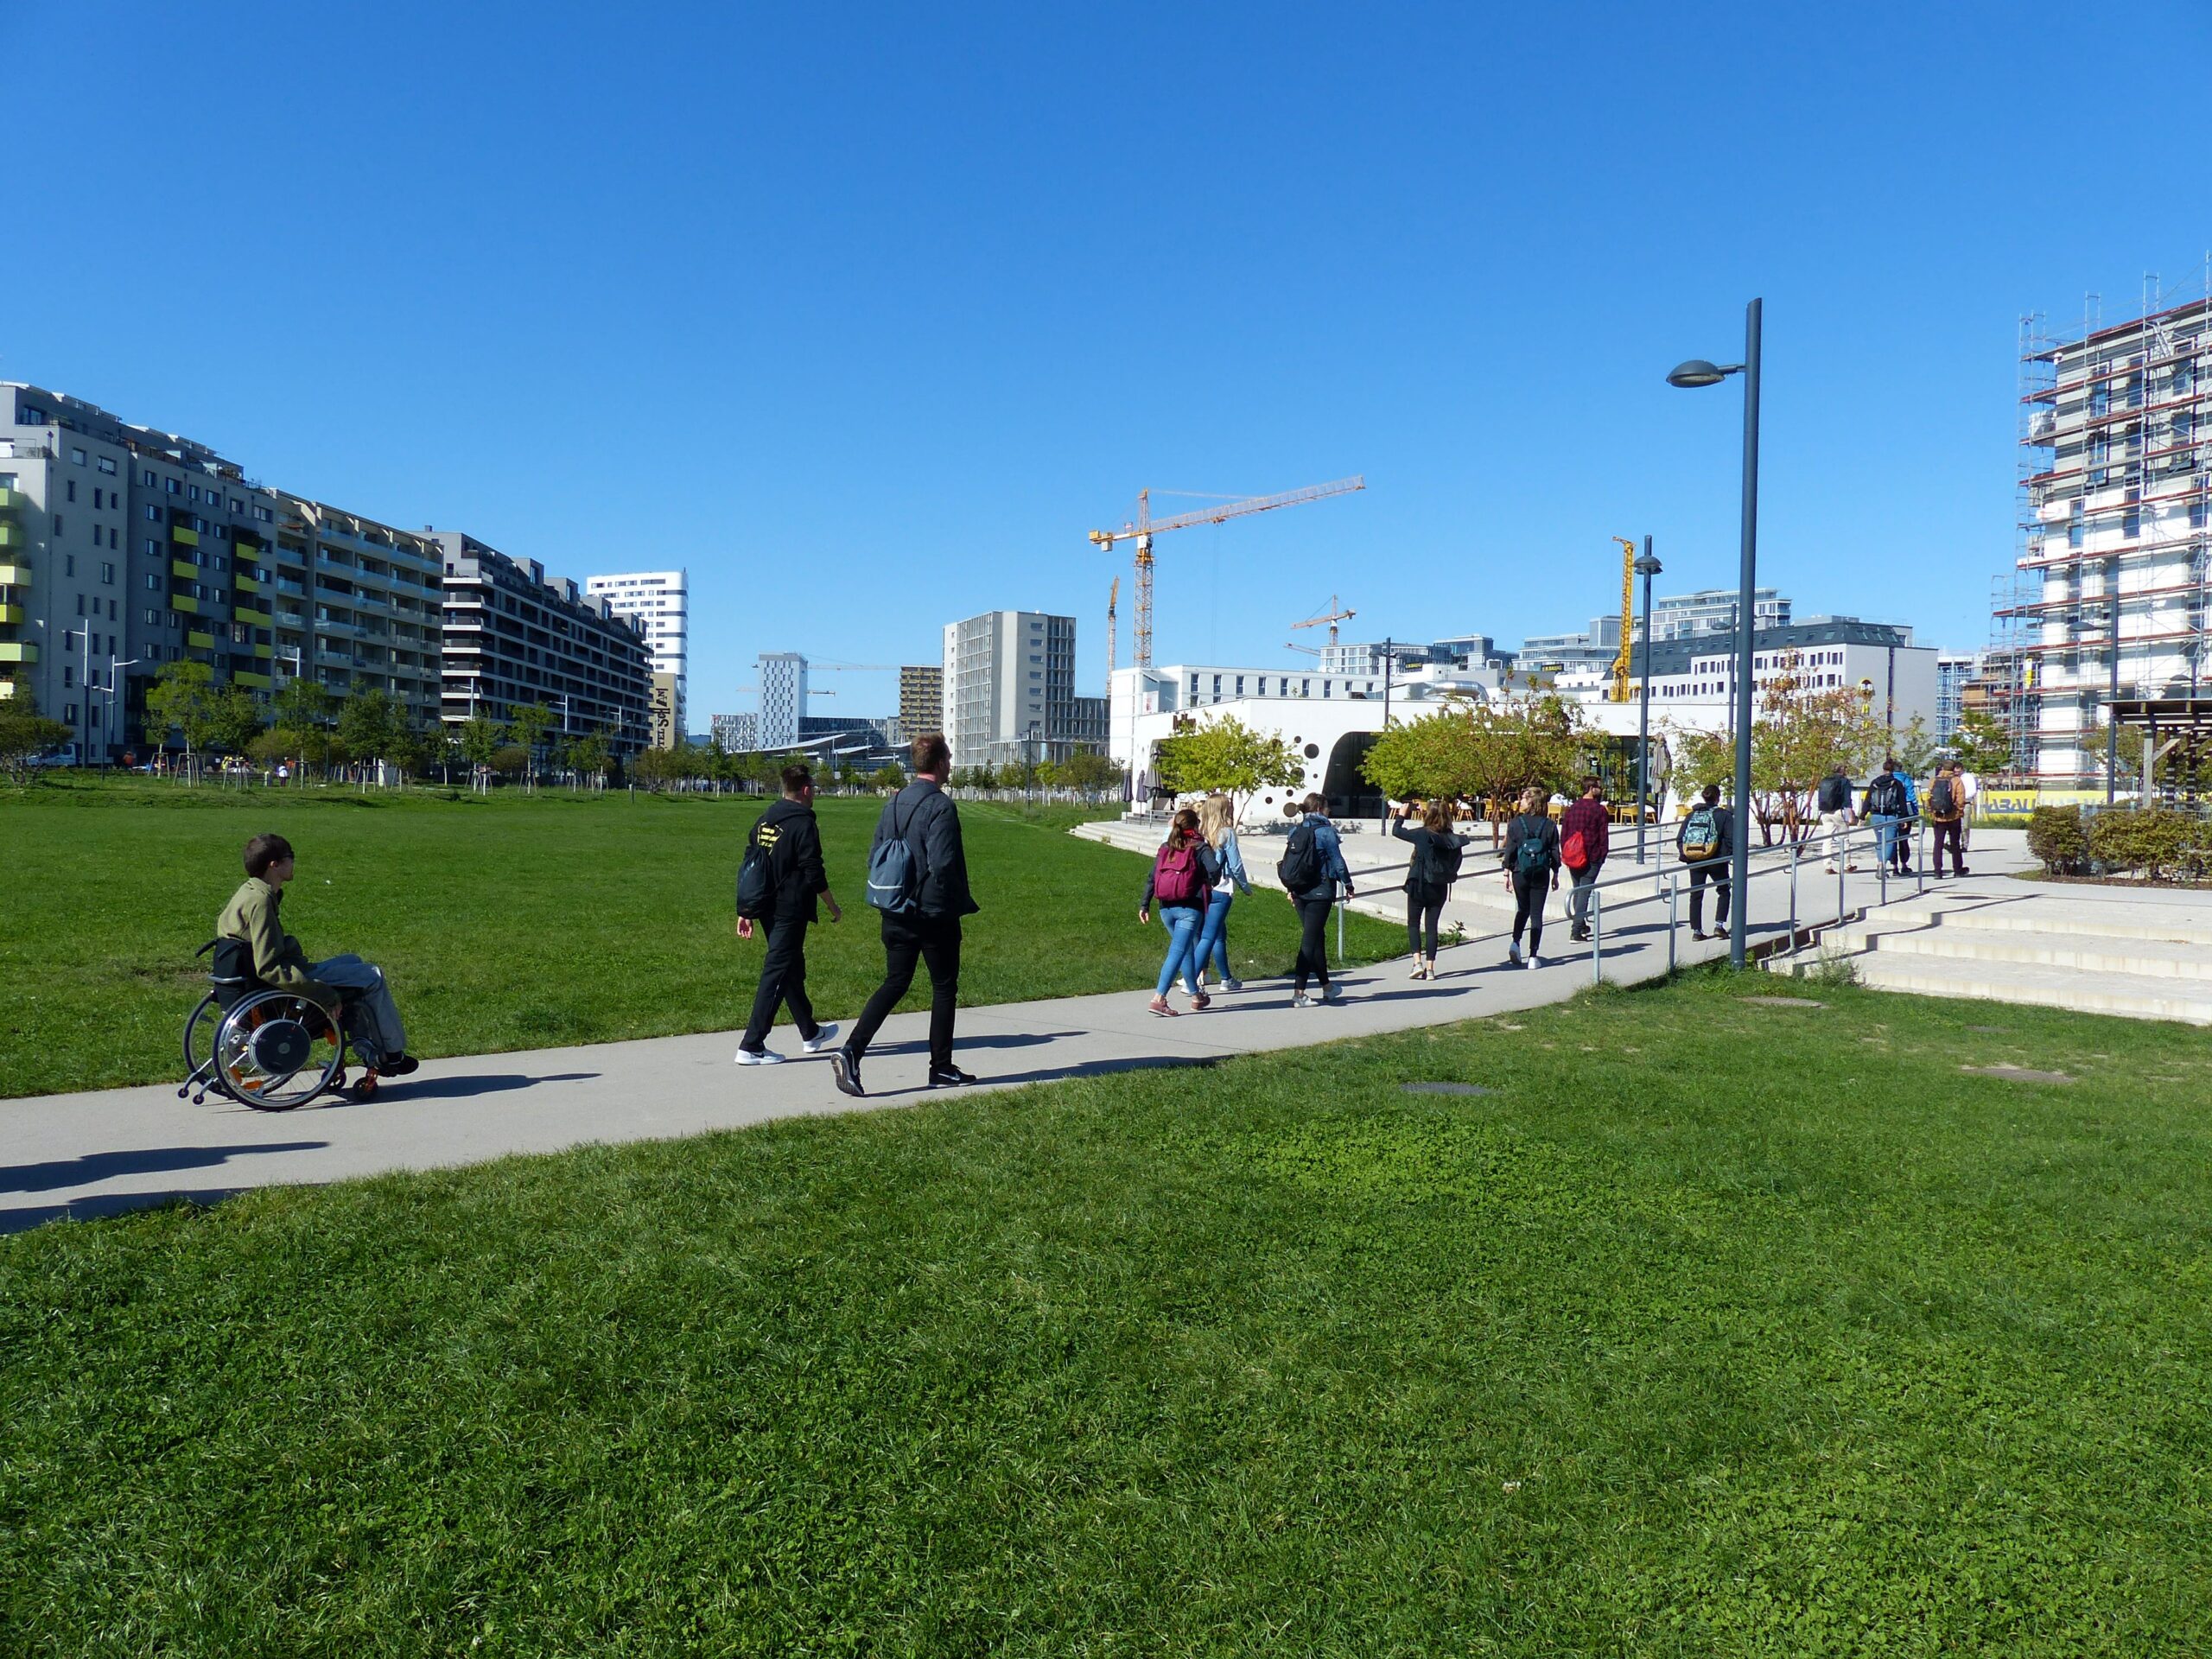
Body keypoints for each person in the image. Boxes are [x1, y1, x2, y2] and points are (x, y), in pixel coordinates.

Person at [832, 733, 977, 1097]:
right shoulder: (941, 806)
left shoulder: (894, 803)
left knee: (895, 982)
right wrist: (959, 902)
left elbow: (874, 856)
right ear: (942, 763)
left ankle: (851, 1051)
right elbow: (943, 864)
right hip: (932, 914)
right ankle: (940, 1067)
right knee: (944, 988)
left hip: (894, 909)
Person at [216, 832, 418, 1077]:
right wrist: (322, 992)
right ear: (274, 865)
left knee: (352, 961)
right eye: (291, 857)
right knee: (372, 975)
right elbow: (268, 966)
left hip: (256, 974)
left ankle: (363, 1041)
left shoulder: (249, 891)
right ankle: (392, 1054)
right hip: (284, 980)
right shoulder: (261, 901)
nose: (294, 863)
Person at [734, 762, 843, 1065]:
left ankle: (810, 1033)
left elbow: (752, 867)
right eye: (814, 790)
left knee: (791, 968)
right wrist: (832, 906)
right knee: (778, 971)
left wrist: (747, 909)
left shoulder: (766, 819)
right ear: (806, 790)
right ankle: (751, 1045)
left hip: (767, 907)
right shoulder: (804, 823)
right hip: (789, 909)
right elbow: (813, 871)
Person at [1137, 806, 1215, 1016]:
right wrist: (1210, 881)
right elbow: (1215, 869)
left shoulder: (1165, 847)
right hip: (1190, 908)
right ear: (1195, 825)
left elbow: (1152, 877)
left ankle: (1197, 997)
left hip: (1166, 909)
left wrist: (1144, 905)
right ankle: (1159, 998)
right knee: (1178, 951)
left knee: (1185, 950)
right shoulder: (1199, 847)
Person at [1281, 793, 1353, 1006]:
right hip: (1320, 892)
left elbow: (1289, 862)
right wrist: (1348, 884)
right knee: (1309, 941)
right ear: (1321, 807)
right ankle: (1299, 993)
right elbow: (1337, 861)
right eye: (1328, 807)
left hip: (1300, 892)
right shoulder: (1326, 831)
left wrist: (1290, 888)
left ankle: (1327, 987)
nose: (1329, 811)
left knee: (1316, 938)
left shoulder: (1296, 830)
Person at [1393, 798, 1471, 978]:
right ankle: (1430, 969)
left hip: (1419, 884)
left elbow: (1397, 831)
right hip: (1440, 886)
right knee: (1432, 926)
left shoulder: (1422, 834)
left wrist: (1401, 815)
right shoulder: (1452, 838)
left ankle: (1417, 962)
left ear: (1429, 815)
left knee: (1413, 923)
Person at [1192, 792, 1253, 995]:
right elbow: (1235, 865)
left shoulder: (1199, 832)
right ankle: (1191, 979)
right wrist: (1245, 886)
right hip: (1220, 887)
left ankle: (1226, 978)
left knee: (1217, 934)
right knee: (1210, 936)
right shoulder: (1226, 833)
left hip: (1199, 889)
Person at [1499, 785, 1560, 968]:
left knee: (1522, 909)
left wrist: (1506, 873)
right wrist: (1555, 873)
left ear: (1531, 802)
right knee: (1536, 914)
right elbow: (1555, 852)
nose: (1521, 802)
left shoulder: (1516, 824)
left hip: (1520, 872)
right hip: (1541, 873)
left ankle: (1515, 942)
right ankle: (1533, 956)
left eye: (1524, 799)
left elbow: (1509, 850)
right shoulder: (1549, 825)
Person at [1676, 782, 1734, 941]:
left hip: (1695, 859)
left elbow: (1680, 838)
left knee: (1696, 894)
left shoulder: (1692, 814)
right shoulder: (1724, 815)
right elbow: (1731, 839)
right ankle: (1719, 926)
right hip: (1717, 860)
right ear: (1717, 798)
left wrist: (1686, 854)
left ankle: (1696, 931)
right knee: (1723, 891)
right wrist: (1729, 855)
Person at [1560, 775, 1610, 944]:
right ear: (1591, 788)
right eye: (1599, 787)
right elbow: (1603, 837)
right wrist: (1602, 856)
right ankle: (1575, 931)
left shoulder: (1573, 808)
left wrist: (1566, 854)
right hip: (1591, 856)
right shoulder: (1599, 810)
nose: (1601, 790)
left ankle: (1580, 925)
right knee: (1584, 893)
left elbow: (1564, 833)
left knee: (1577, 890)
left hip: (1573, 855)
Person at [1862, 758, 1912, 875]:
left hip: (1875, 816)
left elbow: (1868, 799)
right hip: (1891, 816)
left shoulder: (1874, 783)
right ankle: (1883, 865)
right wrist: (1904, 818)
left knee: (1879, 842)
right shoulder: (1896, 783)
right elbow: (1902, 802)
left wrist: (1862, 816)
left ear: (1883, 769)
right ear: (1893, 771)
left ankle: (1880, 863)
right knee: (1889, 842)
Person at [1926, 760, 1969, 878]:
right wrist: (1959, 812)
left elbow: (1929, 797)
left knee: (1938, 844)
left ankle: (1937, 871)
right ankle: (1957, 869)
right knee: (1955, 843)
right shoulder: (1956, 781)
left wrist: (1931, 811)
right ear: (1954, 768)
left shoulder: (1934, 780)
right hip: (1953, 816)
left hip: (1938, 817)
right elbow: (1960, 799)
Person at [1815, 762, 1858, 874]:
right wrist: (1851, 814)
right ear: (1842, 770)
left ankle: (1828, 866)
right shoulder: (1844, 781)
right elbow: (1847, 799)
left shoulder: (1825, 780)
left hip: (1826, 812)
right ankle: (1847, 865)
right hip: (1839, 812)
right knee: (1844, 839)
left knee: (1827, 839)